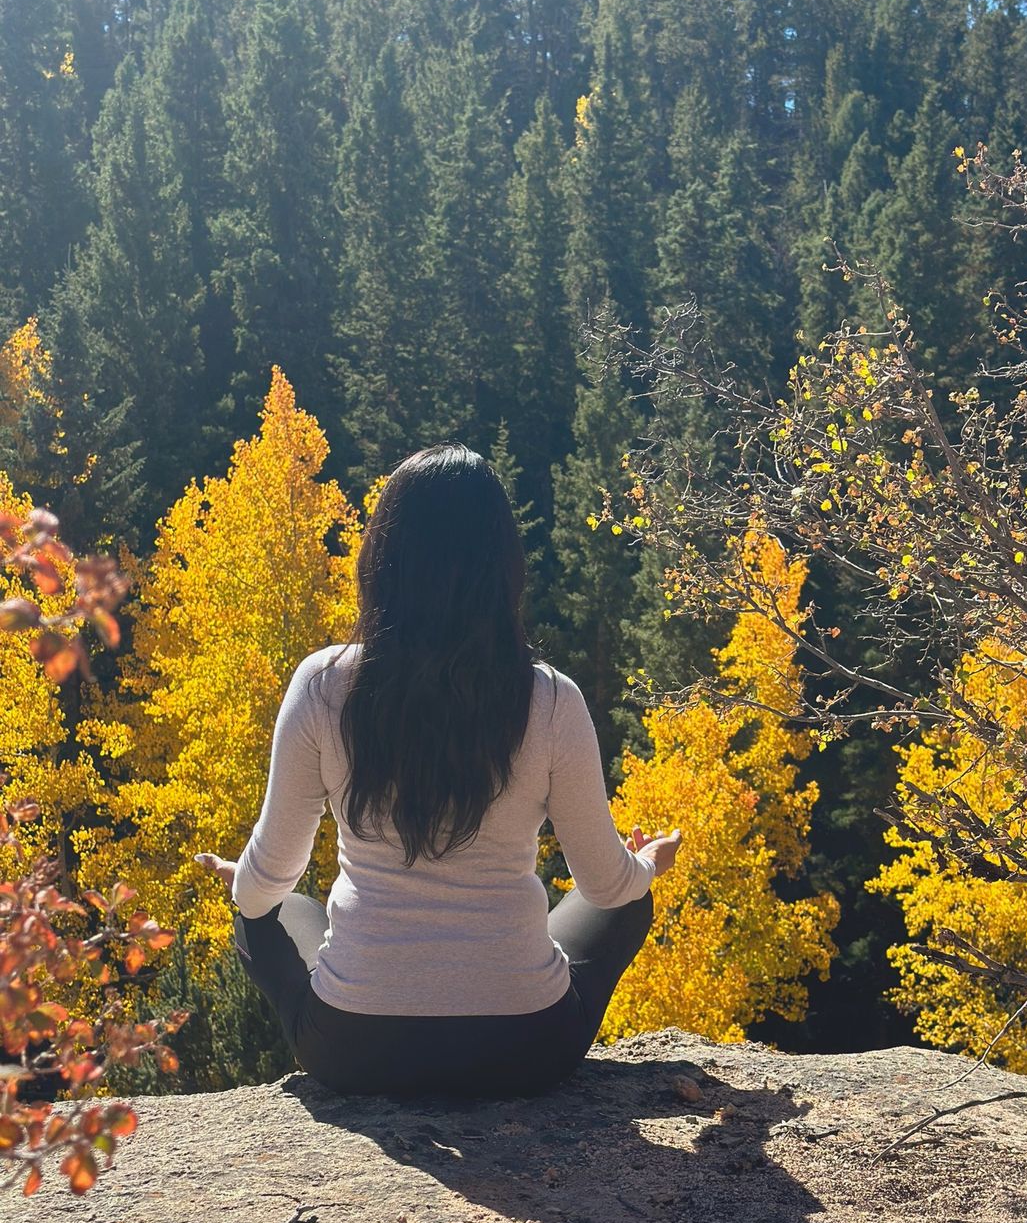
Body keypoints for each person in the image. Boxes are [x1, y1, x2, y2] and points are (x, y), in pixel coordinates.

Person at [195, 444, 681, 1100]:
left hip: (355, 1051)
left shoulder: (322, 687)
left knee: (276, 907)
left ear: (381, 561)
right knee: (626, 902)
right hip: (527, 1050)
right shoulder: (551, 699)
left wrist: (244, 884)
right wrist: (646, 864)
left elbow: (265, 886)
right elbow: (604, 884)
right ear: (503, 570)